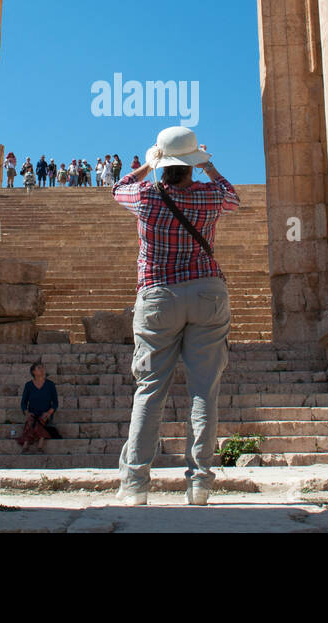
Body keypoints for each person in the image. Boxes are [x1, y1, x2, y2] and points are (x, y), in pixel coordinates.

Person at [111, 126, 239, 506]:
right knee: (204, 391)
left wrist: (144, 167)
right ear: (192, 166)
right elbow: (233, 196)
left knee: (149, 389)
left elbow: (116, 189)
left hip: (158, 296)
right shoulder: (209, 195)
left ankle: (135, 485)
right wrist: (209, 165)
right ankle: (199, 483)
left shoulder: (146, 196)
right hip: (206, 292)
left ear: (162, 165)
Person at [17, 361, 60, 453]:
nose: (42, 370)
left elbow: (55, 403)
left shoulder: (50, 385)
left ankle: (26, 445)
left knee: (39, 421)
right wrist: (27, 413)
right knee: (32, 420)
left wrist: (48, 413)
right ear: (34, 372)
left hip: (45, 414)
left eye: (43, 368)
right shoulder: (28, 385)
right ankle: (39, 446)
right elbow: (23, 403)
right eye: (39, 368)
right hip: (33, 414)